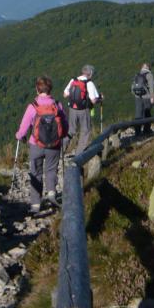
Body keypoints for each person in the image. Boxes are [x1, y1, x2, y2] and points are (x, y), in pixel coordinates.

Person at [16, 75, 68, 213]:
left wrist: (19, 136)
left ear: (37, 89)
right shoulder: (57, 105)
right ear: (50, 89)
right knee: (51, 169)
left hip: (36, 145)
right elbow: (65, 125)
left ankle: (35, 205)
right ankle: (51, 193)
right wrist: (63, 135)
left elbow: (24, 127)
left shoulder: (33, 106)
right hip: (54, 145)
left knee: (36, 172)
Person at [63, 64, 102, 154]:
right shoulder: (89, 83)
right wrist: (100, 99)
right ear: (90, 73)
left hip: (72, 109)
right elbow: (93, 100)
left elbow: (65, 94)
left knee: (71, 130)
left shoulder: (74, 80)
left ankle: (61, 148)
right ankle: (79, 155)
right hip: (84, 110)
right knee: (85, 131)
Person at [132, 63, 154, 135]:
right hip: (147, 97)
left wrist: (136, 94)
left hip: (137, 97)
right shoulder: (149, 74)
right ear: (148, 67)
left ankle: (137, 131)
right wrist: (152, 97)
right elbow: (152, 86)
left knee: (138, 113)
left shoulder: (137, 74)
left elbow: (132, 87)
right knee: (147, 113)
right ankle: (146, 130)